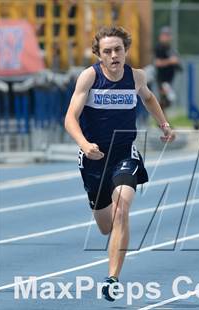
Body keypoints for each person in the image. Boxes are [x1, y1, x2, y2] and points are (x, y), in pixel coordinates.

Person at [64, 26, 175, 302]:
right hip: (94, 158)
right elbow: (70, 118)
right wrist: (84, 145)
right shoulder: (89, 77)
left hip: (125, 154)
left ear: (126, 50)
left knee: (122, 209)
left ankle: (113, 278)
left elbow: (149, 98)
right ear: (99, 55)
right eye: (108, 51)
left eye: (118, 50)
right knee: (105, 225)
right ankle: (110, 223)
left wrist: (163, 123)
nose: (114, 55)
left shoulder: (136, 76)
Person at [154, 26, 180, 112]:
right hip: (162, 79)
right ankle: (162, 121)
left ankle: (163, 122)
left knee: (166, 101)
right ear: (161, 36)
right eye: (165, 35)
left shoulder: (169, 48)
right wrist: (170, 61)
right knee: (167, 100)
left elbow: (175, 61)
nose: (167, 37)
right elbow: (158, 63)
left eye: (168, 35)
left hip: (168, 79)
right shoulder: (159, 47)